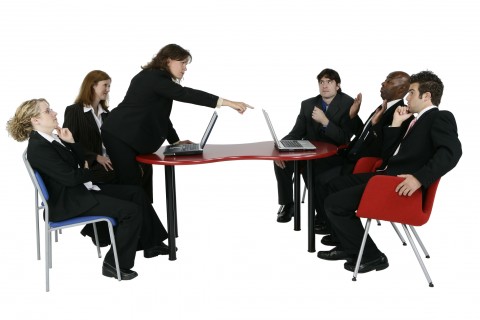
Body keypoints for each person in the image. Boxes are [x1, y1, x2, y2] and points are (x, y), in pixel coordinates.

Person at [7, 98, 173, 280]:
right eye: (48, 111)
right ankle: (115, 264)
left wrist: (71, 142)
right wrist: (86, 170)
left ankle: (151, 243)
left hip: (79, 191)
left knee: (135, 192)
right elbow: (71, 177)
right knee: (130, 211)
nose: (54, 113)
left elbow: (79, 164)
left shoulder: (52, 139)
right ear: (35, 120)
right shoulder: (39, 147)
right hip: (69, 202)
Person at [316, 71, 462, 274]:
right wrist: (395, 124)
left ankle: (372, 257)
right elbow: (388, 156)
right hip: (385, 176)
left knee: (335, 204)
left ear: (426, 96)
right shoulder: (413, 120)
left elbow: (452, 152)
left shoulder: (440, 117)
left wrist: (419, 179)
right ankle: (348, 245)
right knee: (332, 186)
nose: (408, 97)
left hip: (398, 187)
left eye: (412, 92)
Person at [101, 44, 253, 191]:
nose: (185, 68)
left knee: (143, 185)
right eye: (182, 63)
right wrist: (228, 103)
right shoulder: (154, 77)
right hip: (119, 136)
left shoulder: (159, 80)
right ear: (168, 60)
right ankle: (130, 216)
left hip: (129, 137)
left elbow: (160, 117)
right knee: (132, 185)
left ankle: (144, 216)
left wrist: (176, 142)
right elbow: (186, 94)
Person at [314, 71, 411, 238]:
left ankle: (329, 223)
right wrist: (353, 115)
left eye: (388, 81)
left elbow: (384, 148)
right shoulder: (383, 106)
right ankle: (324, 219)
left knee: (322, 179)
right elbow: (362, 135)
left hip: (360, 164)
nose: (383, 83)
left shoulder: (401, 113)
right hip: (348, 154)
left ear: (401, 88)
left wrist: (374, 125)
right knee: (314, 167)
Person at [273, 68, 356, 223]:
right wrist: (280, 146)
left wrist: (325, 121)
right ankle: (288, 204)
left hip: (334, 155)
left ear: (337, 85)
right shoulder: (308, 104)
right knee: (281, 163)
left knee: (314, 169)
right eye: (321, 82)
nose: (324, 86)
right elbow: (296, 133)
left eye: (329, 82)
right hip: (309, 152)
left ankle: (321, 212)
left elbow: (344, 138)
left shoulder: (347, 103)